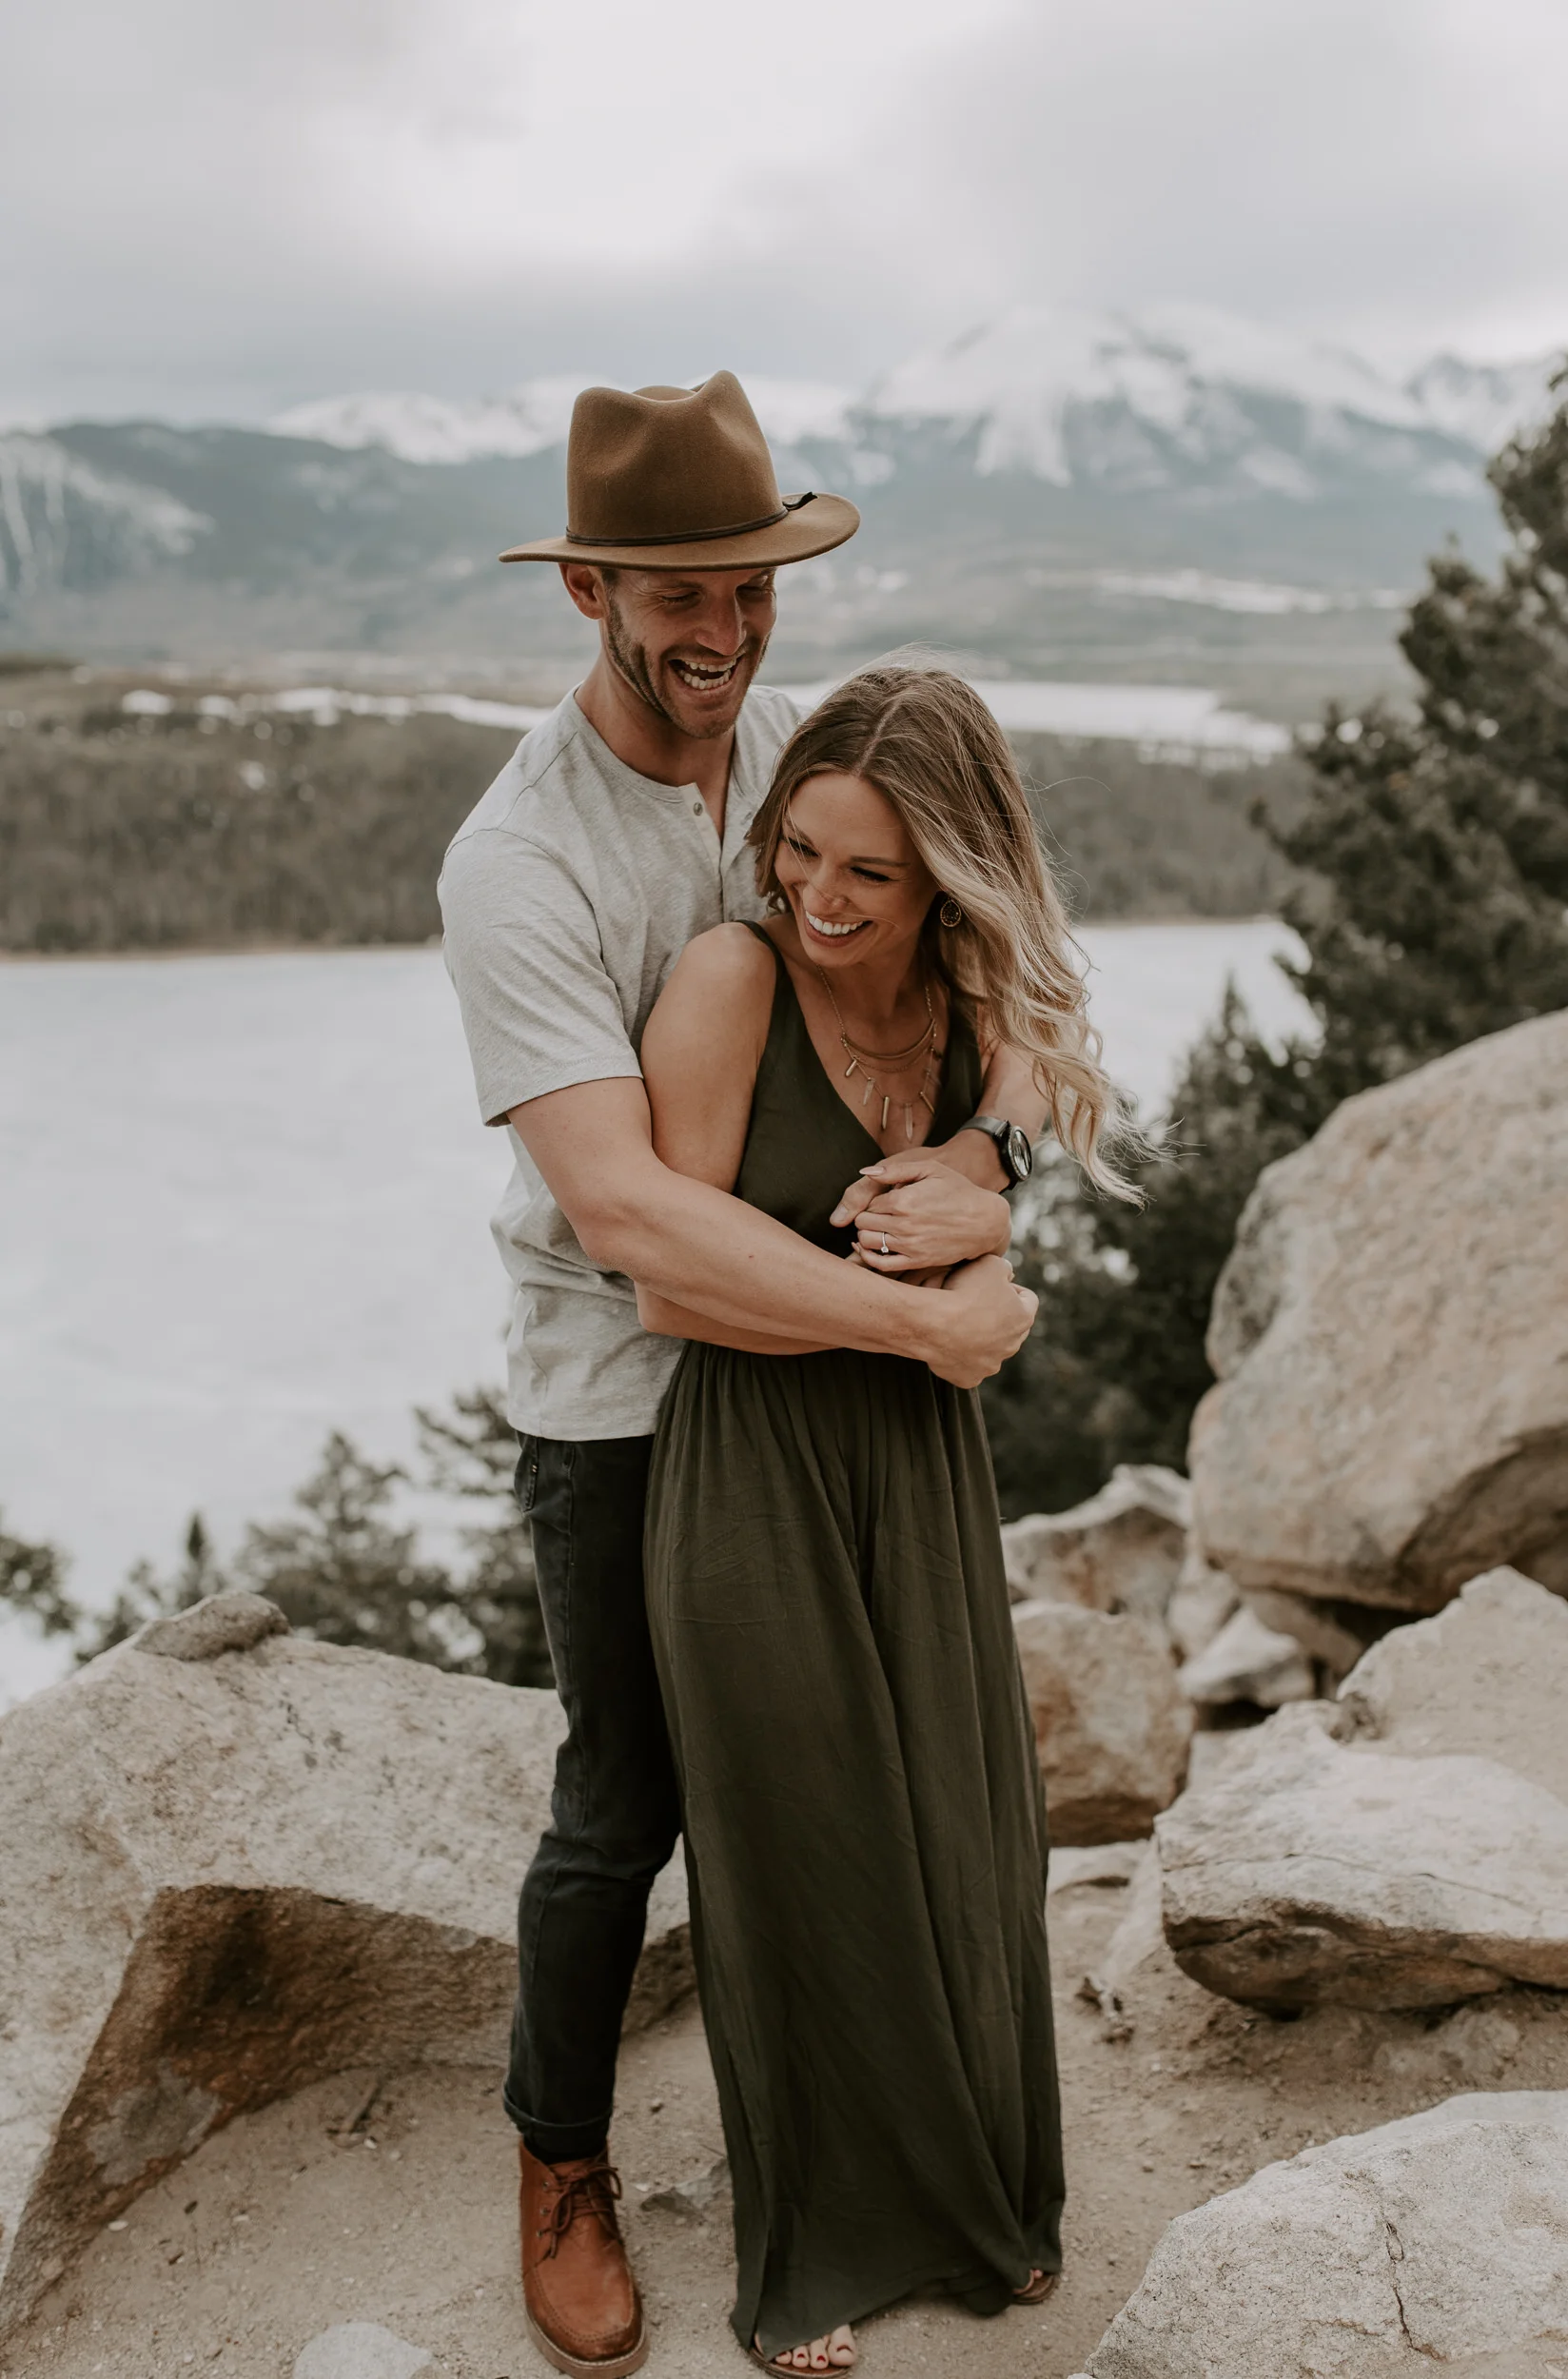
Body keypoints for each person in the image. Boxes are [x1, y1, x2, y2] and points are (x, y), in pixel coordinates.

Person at [440, 373, 1047, 2379]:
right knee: (625, 1798)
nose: (721, 635)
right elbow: (629, 1222)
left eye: (749, 594)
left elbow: (1001, 959)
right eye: (679, 596)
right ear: (591, 589)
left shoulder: (799, 744)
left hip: (847, 1395)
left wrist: (985, 1168)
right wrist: (932, 1320)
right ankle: (559, 2156)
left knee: (880, 1775)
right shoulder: (518, 859)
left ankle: (911, 2146)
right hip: (624, 1395)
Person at [636, 664, 1133, 2374]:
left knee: (961, 1829)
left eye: (870, 874)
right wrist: (938, 1311)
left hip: (920, 1467)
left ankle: (982, 2209)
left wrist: (989, 1176)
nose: (820, 900)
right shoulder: (728, 979)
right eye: (802, 851)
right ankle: (808, 2259)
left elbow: (1035, 1098)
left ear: (948, 879)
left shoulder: (975, 996)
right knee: (801, 1849)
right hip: (755, 1461)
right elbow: (675, 1293)